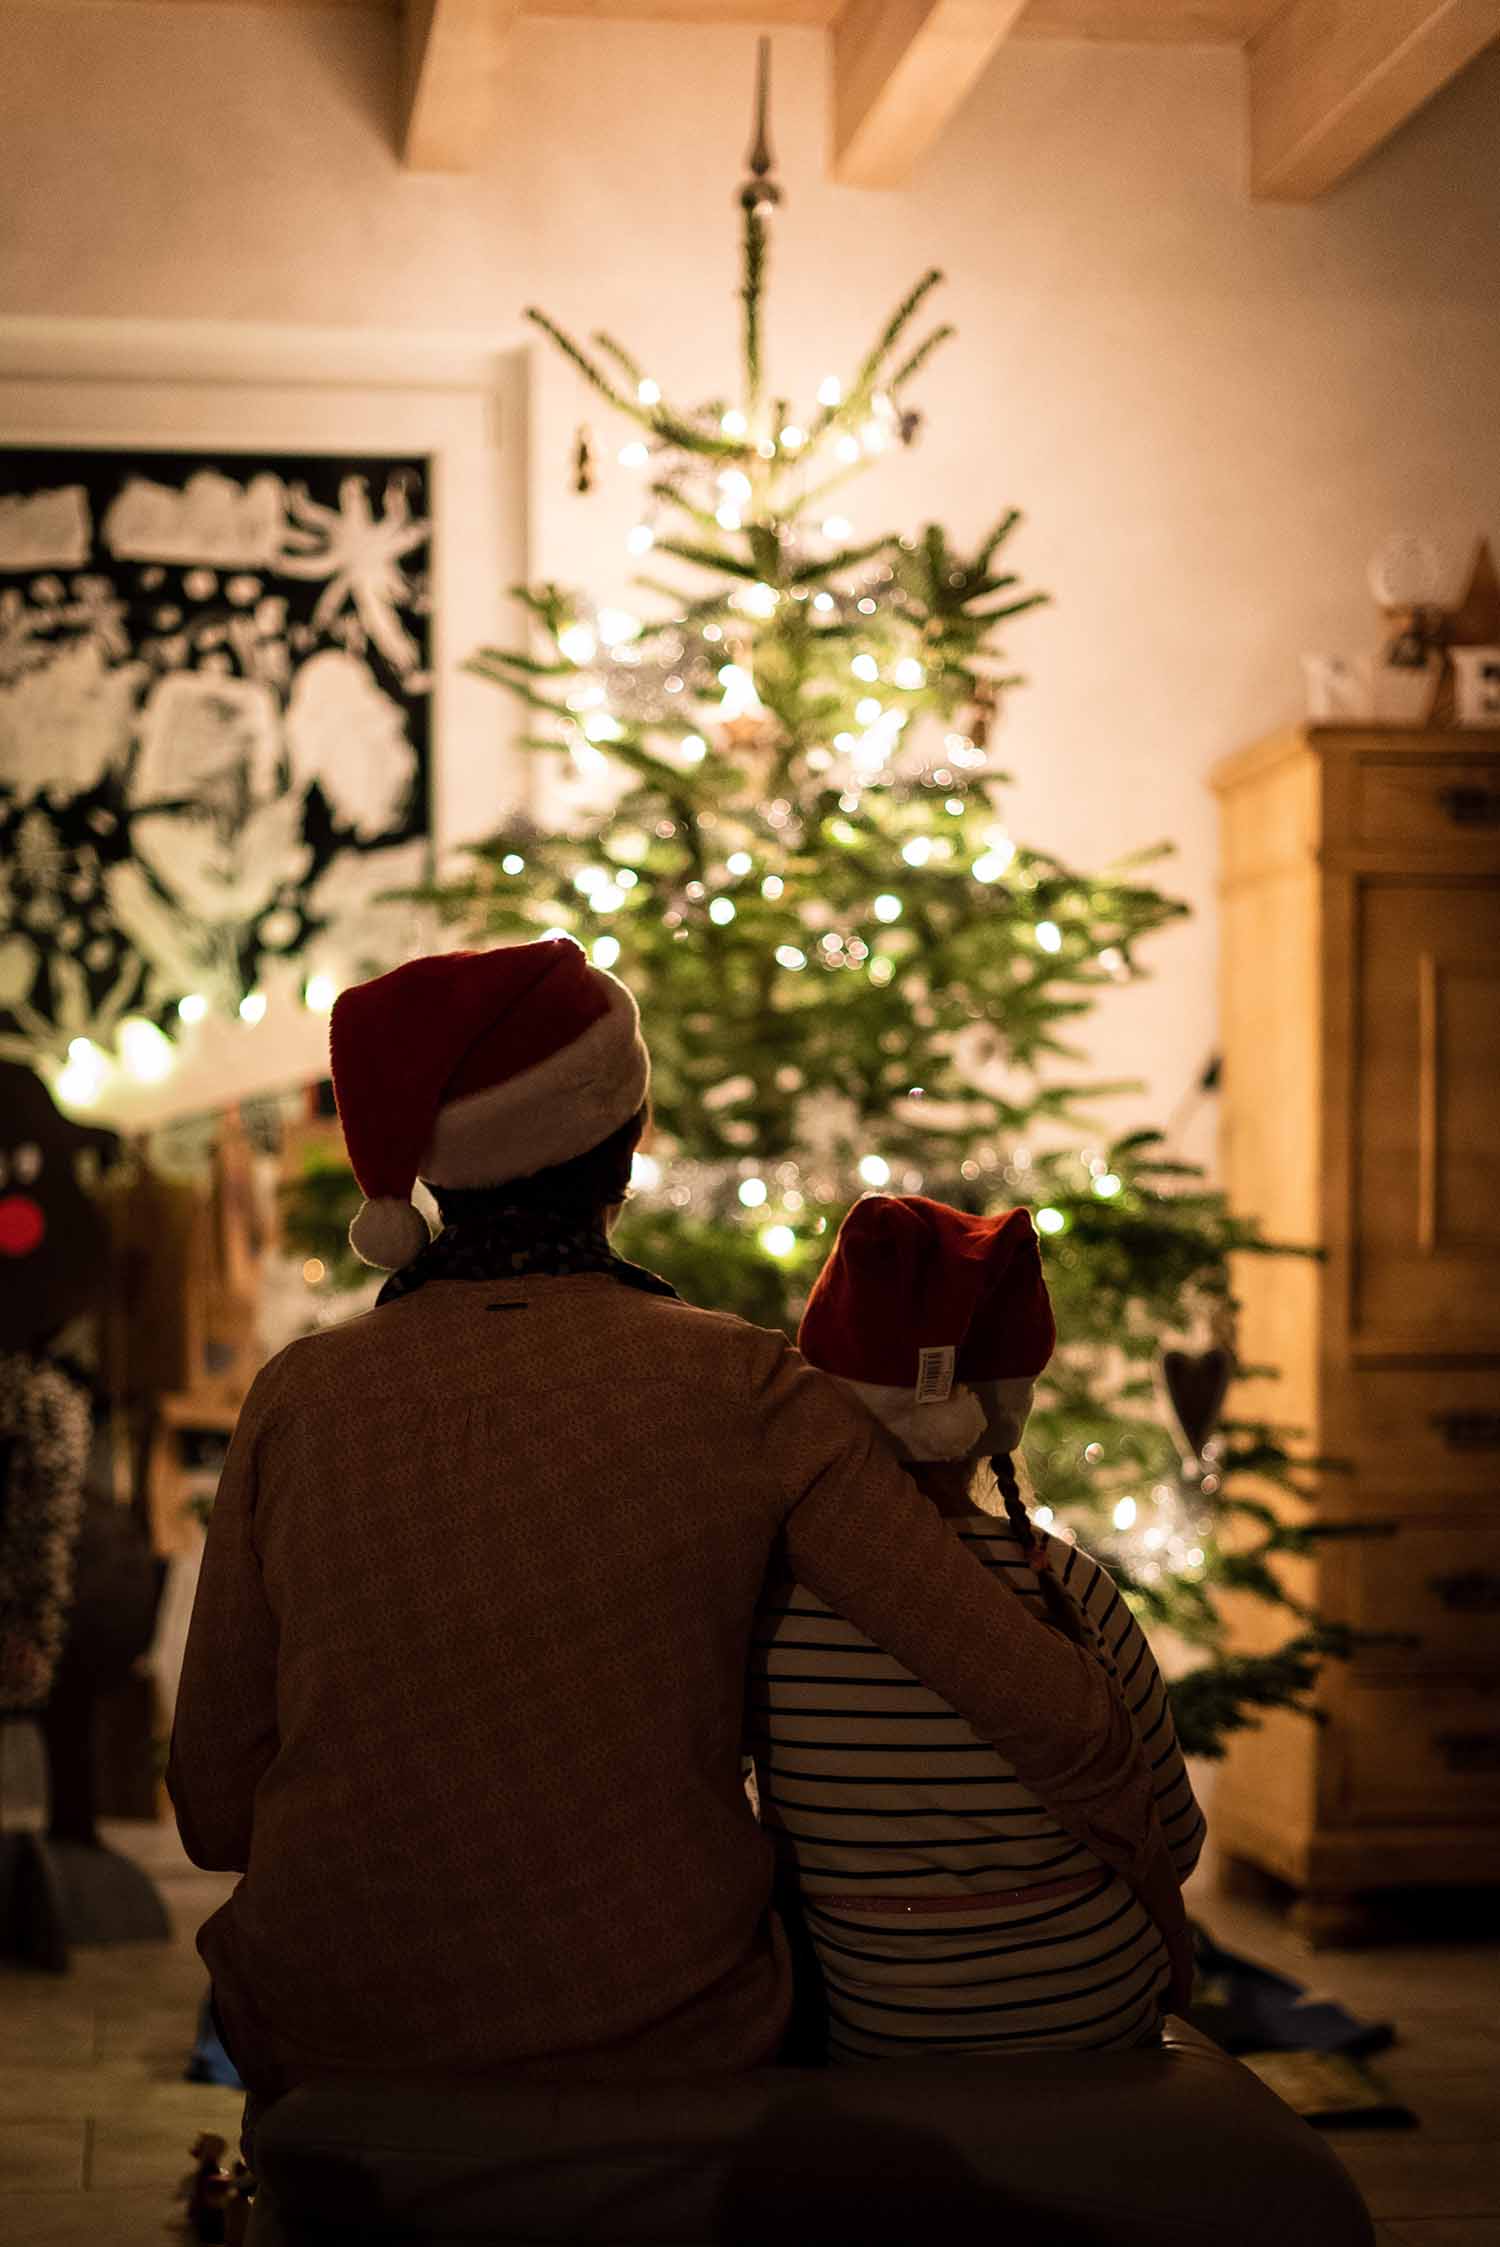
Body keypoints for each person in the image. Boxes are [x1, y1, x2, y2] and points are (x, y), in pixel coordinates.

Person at [168, 939, 1189, 2109]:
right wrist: (1165, 1926)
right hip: (666, 2044)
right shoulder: (741, 1387)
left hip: (331, 2045)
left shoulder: (298, 1398)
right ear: (631, 1131)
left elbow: (212, 1807)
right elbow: (1037, 1696)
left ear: (432, 1174)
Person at [750, 1194, 1206, 2062]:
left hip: (881, 2024)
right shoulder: (1070, 1586)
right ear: (1001, 1410)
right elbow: (1175, 1841)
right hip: (1095, 2009)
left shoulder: (772, 1606)